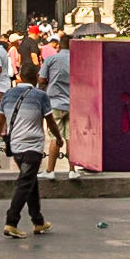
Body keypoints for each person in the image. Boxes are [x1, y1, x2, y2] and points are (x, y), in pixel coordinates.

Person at [0, 59, 60, 237]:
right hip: (33, 147)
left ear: (20, 76)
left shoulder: (8, 94)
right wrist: (59, 138)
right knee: (25, 183)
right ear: (36, 77)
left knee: (30, 181)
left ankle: (38, 221)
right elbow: (51, 122)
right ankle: (11, 221)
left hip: (15, 146)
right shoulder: (40, 96)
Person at [38, 37, 80, 179]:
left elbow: (41, 79)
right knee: (70, 137)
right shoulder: (77, 60)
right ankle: (72, 170)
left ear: (59, 46)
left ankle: (50, 171)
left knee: (55, 137)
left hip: (55, 103)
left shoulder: (51, 59)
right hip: (73, 103)